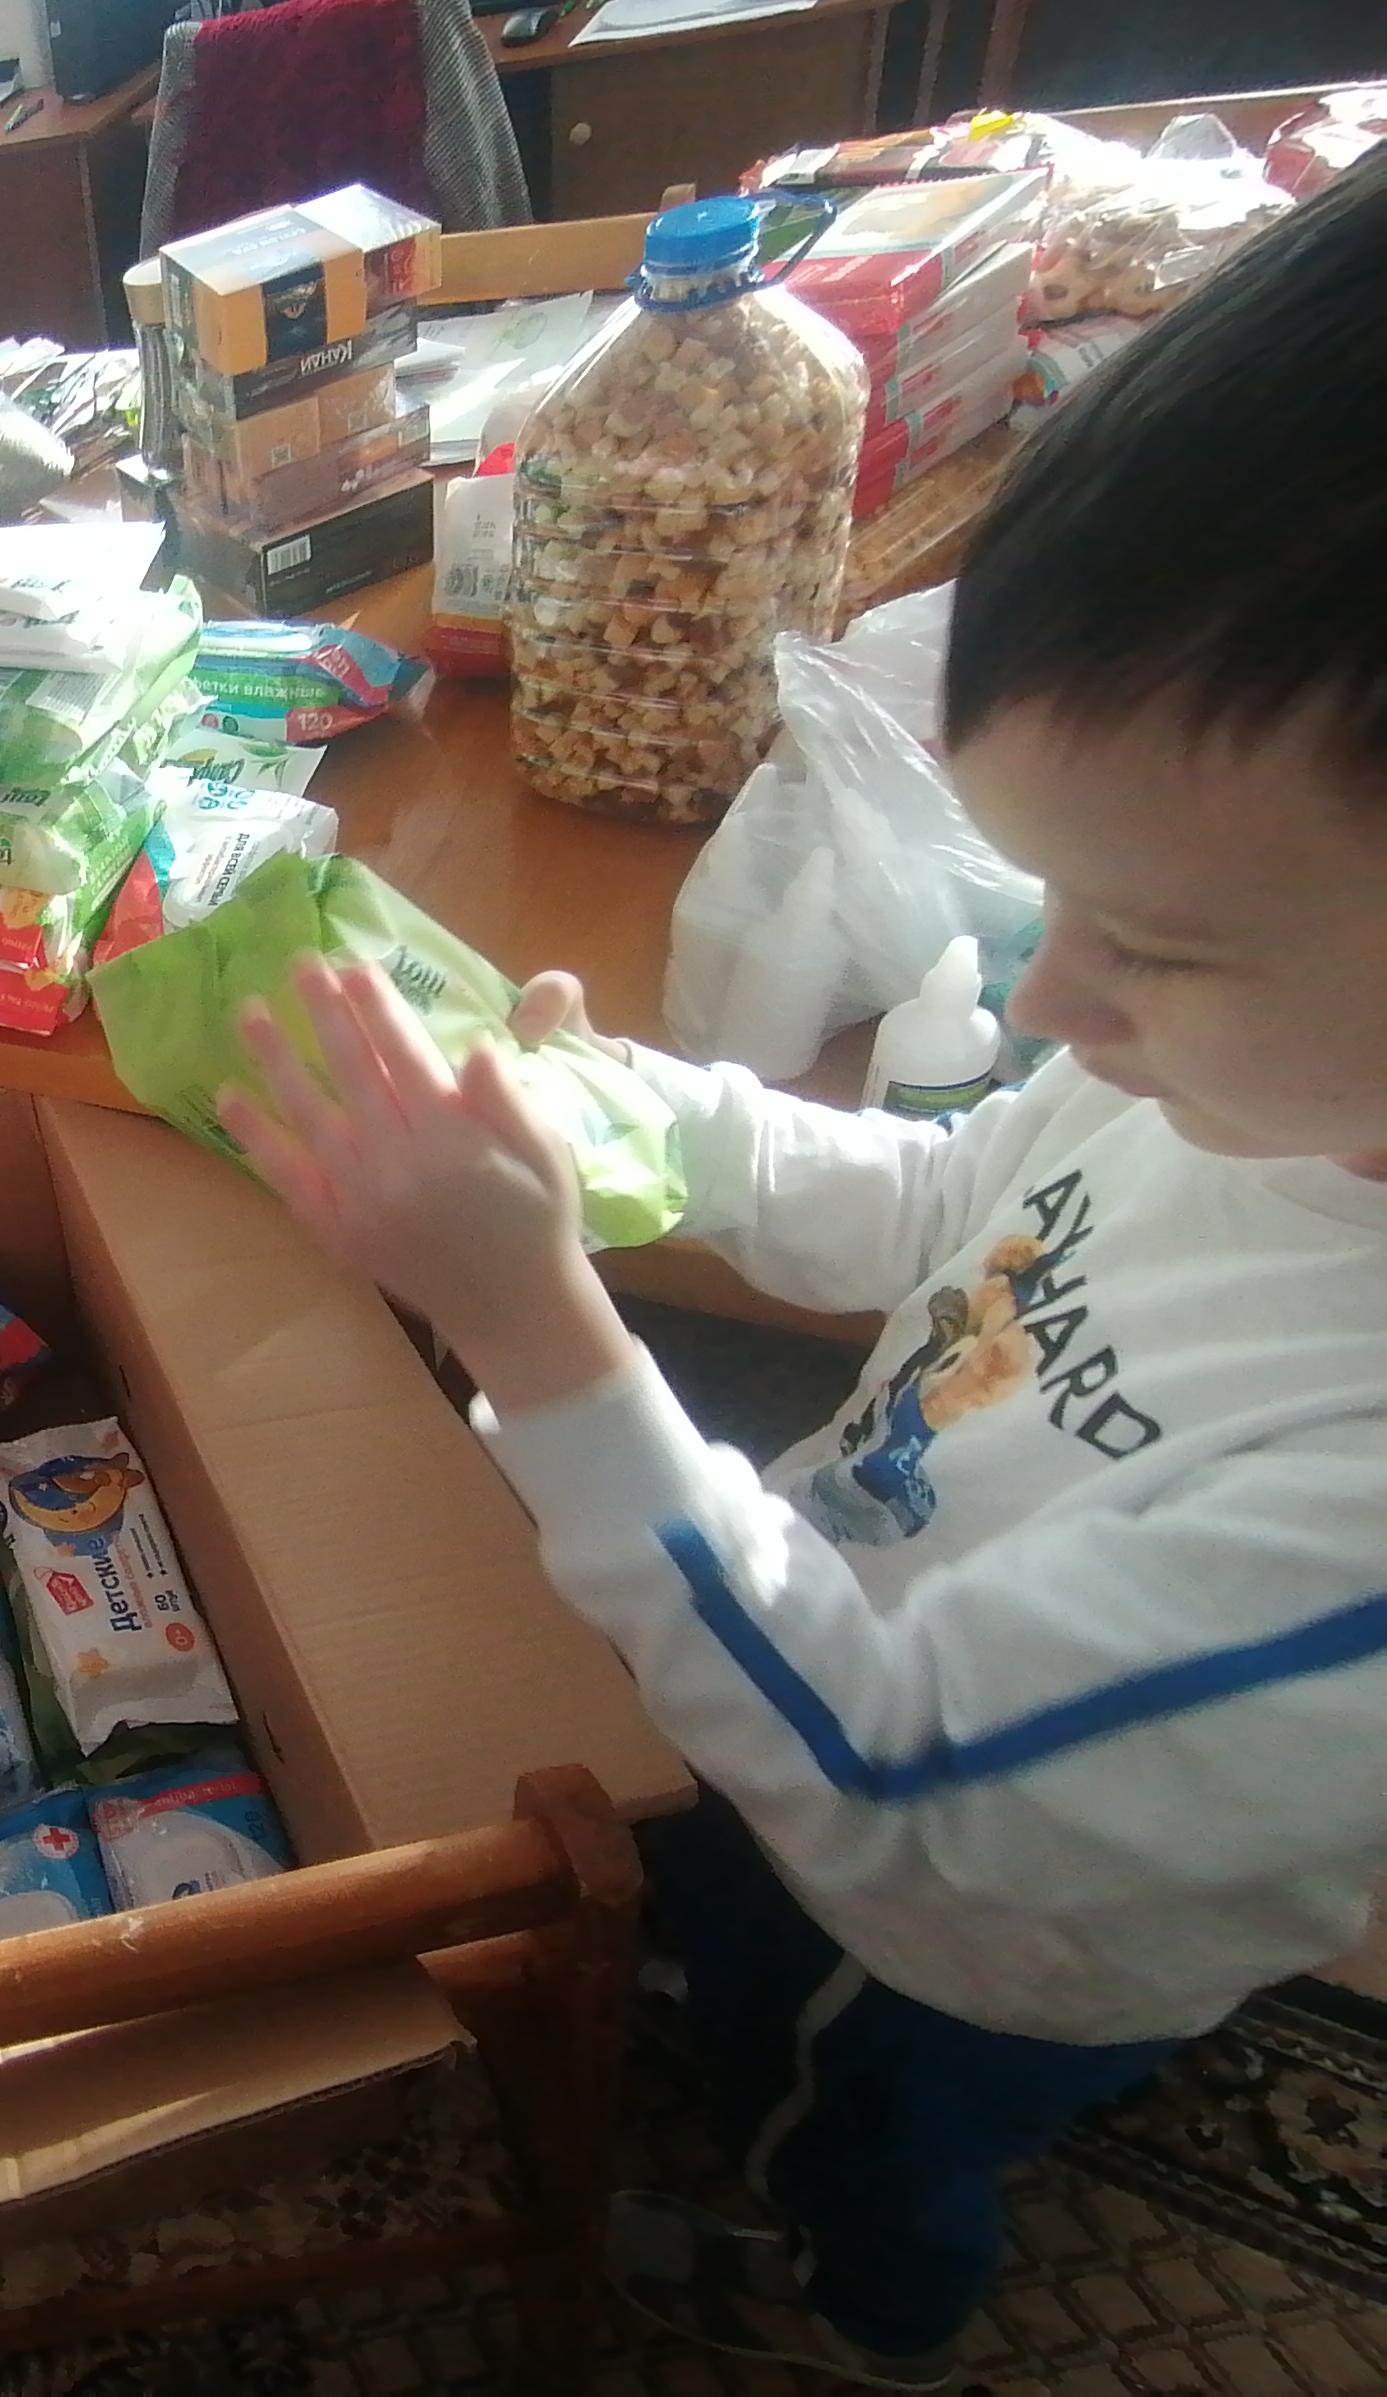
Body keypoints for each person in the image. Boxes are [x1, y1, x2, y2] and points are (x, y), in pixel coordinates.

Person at [221, 151, 1387, 2388]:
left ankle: (858, 2312)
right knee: (733, 1896)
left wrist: (536, 1325)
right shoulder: (1221, 1084)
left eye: (1159, 946)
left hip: (959, 1918)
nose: (1046, 1007)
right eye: (1057, 908)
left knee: (849, 2118)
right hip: (852, 1641)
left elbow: (886, 1776)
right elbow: (952, 1207)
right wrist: (650, 1120)